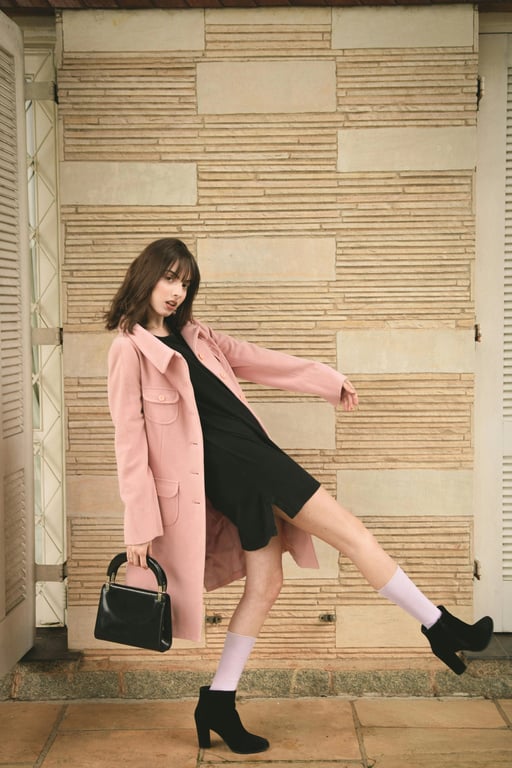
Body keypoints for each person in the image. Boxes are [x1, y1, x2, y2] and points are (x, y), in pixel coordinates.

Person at [104, 237, 493, 755]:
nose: (177, 291)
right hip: (240, 472)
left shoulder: (197, 335)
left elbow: (259, 360)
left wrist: (327, 380)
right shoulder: (128, 349)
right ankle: (441, 627)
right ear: (147, 274)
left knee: (266, 586)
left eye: (186, 282)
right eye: (170, 277)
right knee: (353, 535)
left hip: (250, 462)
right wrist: (139, 527)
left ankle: (217, 701)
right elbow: (129, 442)